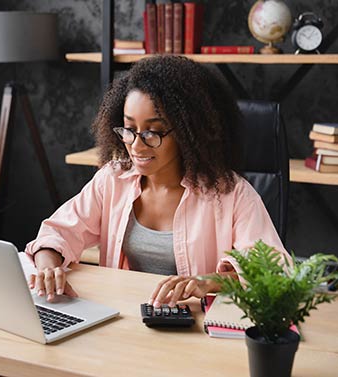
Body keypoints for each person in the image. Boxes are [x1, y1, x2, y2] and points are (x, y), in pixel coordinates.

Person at [25, 55, 289, 308]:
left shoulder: (232, 195)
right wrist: (49, 268)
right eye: (129, 129)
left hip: (198, 333)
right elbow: (57, 233)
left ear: (189, 132)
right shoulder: (113, 179)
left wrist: (209, 282)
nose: (137, 146)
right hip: (123, 320)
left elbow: (277, 274)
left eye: (153, 132)